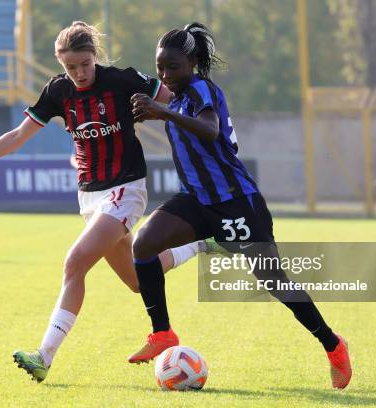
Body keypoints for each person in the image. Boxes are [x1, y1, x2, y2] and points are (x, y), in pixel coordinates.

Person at [0, 21, 203, 383]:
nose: (79, 73)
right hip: (90, 196)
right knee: (138, 280)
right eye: (70, 67)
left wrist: (211, 126)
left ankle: (44, 356)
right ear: (60, 65)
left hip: (126, 189)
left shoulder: (122, 80)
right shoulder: (58, 91)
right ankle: (203, 243)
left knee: (74, 262)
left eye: (85, 63)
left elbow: (179, 104)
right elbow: (18, 136)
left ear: (95, 56)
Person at [127, 22, 352, 389]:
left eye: (173, 67)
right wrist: (156, 110)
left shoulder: (201, 88)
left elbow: (209, 129)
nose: (166, 75)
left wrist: (161, 111)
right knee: (144, 243)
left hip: (236, 203)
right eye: (160, 67)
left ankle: (333, 345)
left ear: (193, 63)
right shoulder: (179, 96)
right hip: (197, 200)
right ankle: (163, 333)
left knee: (274, 282)